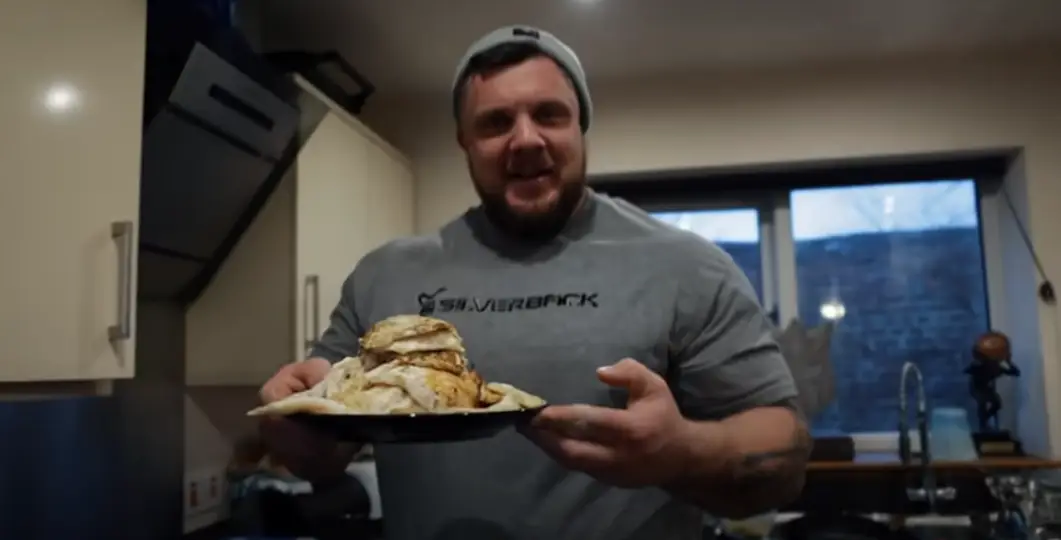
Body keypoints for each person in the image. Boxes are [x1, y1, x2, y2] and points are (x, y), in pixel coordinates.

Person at [258, 25, 810, 540]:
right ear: (464, 141)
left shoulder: (686, 265)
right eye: (495, 123)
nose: (525, 140)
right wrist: (290, 418)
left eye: (549, 115)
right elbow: (319, 455)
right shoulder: (385, 276)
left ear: (580, 127)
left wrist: (681, 451)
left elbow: (784, 453)